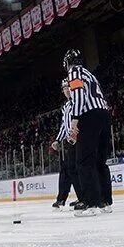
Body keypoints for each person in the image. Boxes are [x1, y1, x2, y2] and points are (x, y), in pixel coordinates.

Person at [64, 49, 113, 216]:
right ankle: (105, 202)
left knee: (84, 161)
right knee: (100, 161)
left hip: (89, 116)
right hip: (104, 114)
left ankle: (91, 203)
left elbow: (78, 95)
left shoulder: (74, 72)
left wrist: (75, 119)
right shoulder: (90, 74)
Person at [51, 79, 79, 209]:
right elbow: (64, 125)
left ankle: (83, 196)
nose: (66, 90)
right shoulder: (66, 106)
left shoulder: (78, 102)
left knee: (74, 168)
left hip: (80, 139)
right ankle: (61, 199)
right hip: (69, 141)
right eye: (64, 88)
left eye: (68, 87)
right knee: (66, 169)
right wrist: (58, 140)